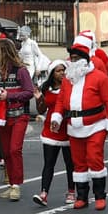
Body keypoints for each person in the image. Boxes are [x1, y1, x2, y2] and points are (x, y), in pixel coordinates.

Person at [49, 39, 108, 210]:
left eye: (75, 58)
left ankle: (100, 196)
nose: (72, 61)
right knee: (78, 162)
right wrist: (56, 118)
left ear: (84, 60)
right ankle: (81, 196)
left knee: (94, 158)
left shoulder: (99, 78)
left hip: (96, 124)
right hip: (73, 126)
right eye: (70, 58)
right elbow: (60, 101)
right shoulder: (67, 80)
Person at [0, 38, 35, 202]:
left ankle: (16, 185)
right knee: (6, 151)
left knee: (15, 149)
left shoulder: (20, 70)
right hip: (3, 117)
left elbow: (29, 92)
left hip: (20, 116)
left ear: (3, 52)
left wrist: (9, 95)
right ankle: (11, 183)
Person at [32, 61, 75, 206]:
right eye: (58, 71)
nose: (62, 73)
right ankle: (44, 193)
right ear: (52, 73)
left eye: (63, 70)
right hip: (51, 130)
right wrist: (39, 99)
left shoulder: (71, 86)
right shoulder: (46, 88)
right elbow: (41, 110)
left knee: (70, 163)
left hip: (68, 128)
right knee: (49, 163)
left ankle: (71, 191)